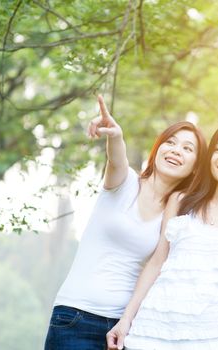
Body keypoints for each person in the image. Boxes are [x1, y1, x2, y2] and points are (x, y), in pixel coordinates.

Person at [44, 95, 208, 350]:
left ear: (196, 168)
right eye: (171, 142)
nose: (177, 150)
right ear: (158, 149)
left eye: (188, 149)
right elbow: (116, 160)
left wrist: (127, 320)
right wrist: (115, 135)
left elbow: (157, 265)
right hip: (76, 317)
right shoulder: (125, 182)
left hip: (124, 328)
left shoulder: (175, 211)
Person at [106, 121, 218, 350]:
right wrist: (125, 321)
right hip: (149, 334)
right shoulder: (181, 201)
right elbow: (156, 263)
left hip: (210, 339)